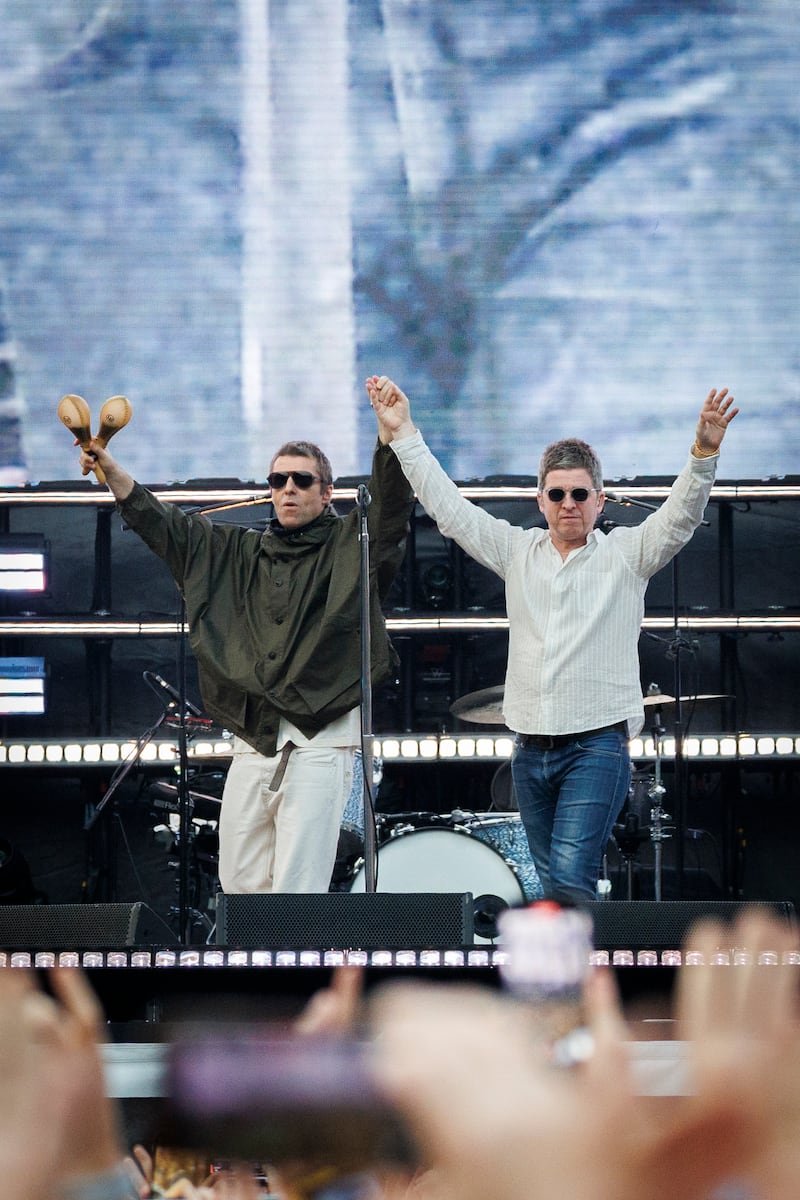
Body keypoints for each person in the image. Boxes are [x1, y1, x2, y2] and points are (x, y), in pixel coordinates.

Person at [366, 374, 738, 903]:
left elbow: (680, 518)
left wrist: (703, 453)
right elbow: (450, 509)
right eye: (558, 494)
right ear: (540, 500)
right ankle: (577, 958)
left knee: (568, 878)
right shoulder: (517, 552)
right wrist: (404, 432)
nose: (569, 504)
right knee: (551, 890)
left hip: (597, 746)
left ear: (599, 501)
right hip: (529, 750)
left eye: (579, 494)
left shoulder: (626, 555)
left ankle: (581, 958)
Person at [77, 432, 413, 895]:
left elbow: (390, 509)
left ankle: (296, 949)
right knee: (238, 877)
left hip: (319, 738)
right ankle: (252, 949)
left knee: (299, 886)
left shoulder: (351, 543)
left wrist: (390, 439)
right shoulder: (237, 551)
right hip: (253, 737)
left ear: (326, 493)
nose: (288, 488)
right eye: (278, 480)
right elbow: (165, 526)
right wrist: (111, 472)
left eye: (302, 480)